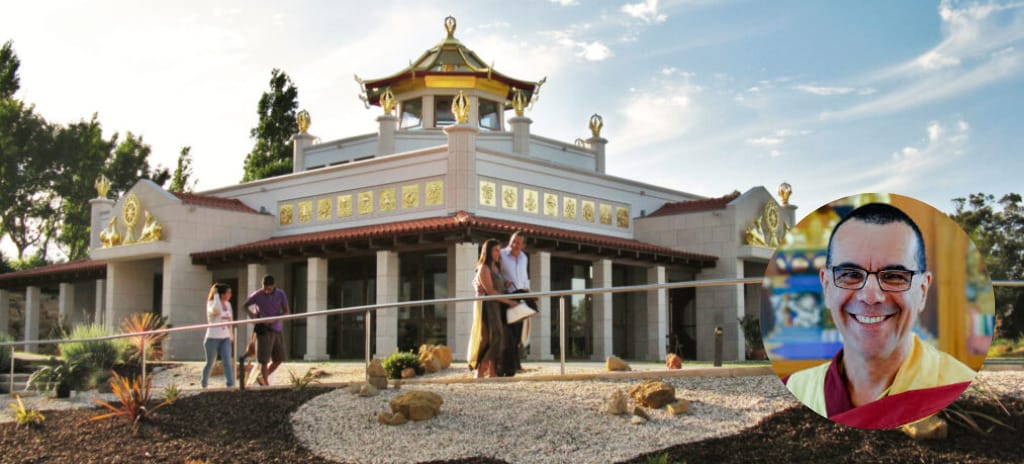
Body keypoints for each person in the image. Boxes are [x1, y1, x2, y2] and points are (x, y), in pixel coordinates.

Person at [783, 203, 976, 429]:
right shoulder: (798, 388)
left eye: (894, 276)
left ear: (922, 291)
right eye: (850, 274)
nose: (871, 296)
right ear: (826, 286)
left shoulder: (962, 386)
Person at [466, 239, 519, 378]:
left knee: (498, 337)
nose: (498, 253)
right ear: (488, 251)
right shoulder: (484, 268)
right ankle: (480, 370)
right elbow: (490, 291)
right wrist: (509, 302)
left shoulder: (497, 267)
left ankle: (493, 371)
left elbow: (496, 287)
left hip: (496, 305)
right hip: (486, 306)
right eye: (496, 250)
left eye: (499, 250)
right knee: (490, 337)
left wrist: (505, 285)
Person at [243, 275, 290, 386]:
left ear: (274, 286)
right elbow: (245, 305)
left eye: (269, 288)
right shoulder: (258, 294)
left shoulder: (280, 294)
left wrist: (275, 318)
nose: (266, 290)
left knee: (279, 358)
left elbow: (286, 311)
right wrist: (252, 314)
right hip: (264, 330)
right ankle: (266, 384)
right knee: (264, 360)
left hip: (277, 328)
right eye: (264, 287)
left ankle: (263, 377)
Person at [499, 230, 536, 371]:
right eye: (513, 241)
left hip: (521, 297)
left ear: (523, 245)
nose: (514, 245)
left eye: (518, 243)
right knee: (509, 333)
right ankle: (507, 366)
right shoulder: (501, 254)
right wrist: (503, 282)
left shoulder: (524, 258)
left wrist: (528, 294)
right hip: (507, 298)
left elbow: (524, 279)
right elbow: (494, 273)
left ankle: (516, 364)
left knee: (518, 333)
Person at [202, 283, 235, 388]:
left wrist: (231, 334)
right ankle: (204, 383)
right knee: (210, 363)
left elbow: (230, 320)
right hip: (212, 338)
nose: (230, 294)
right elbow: (216, 310)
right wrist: (216, 295)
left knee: (227, 361)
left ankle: (230, 384)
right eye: (228, 292)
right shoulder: (211, 303)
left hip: (225, 337)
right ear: (222, 294)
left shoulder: (228, 304)